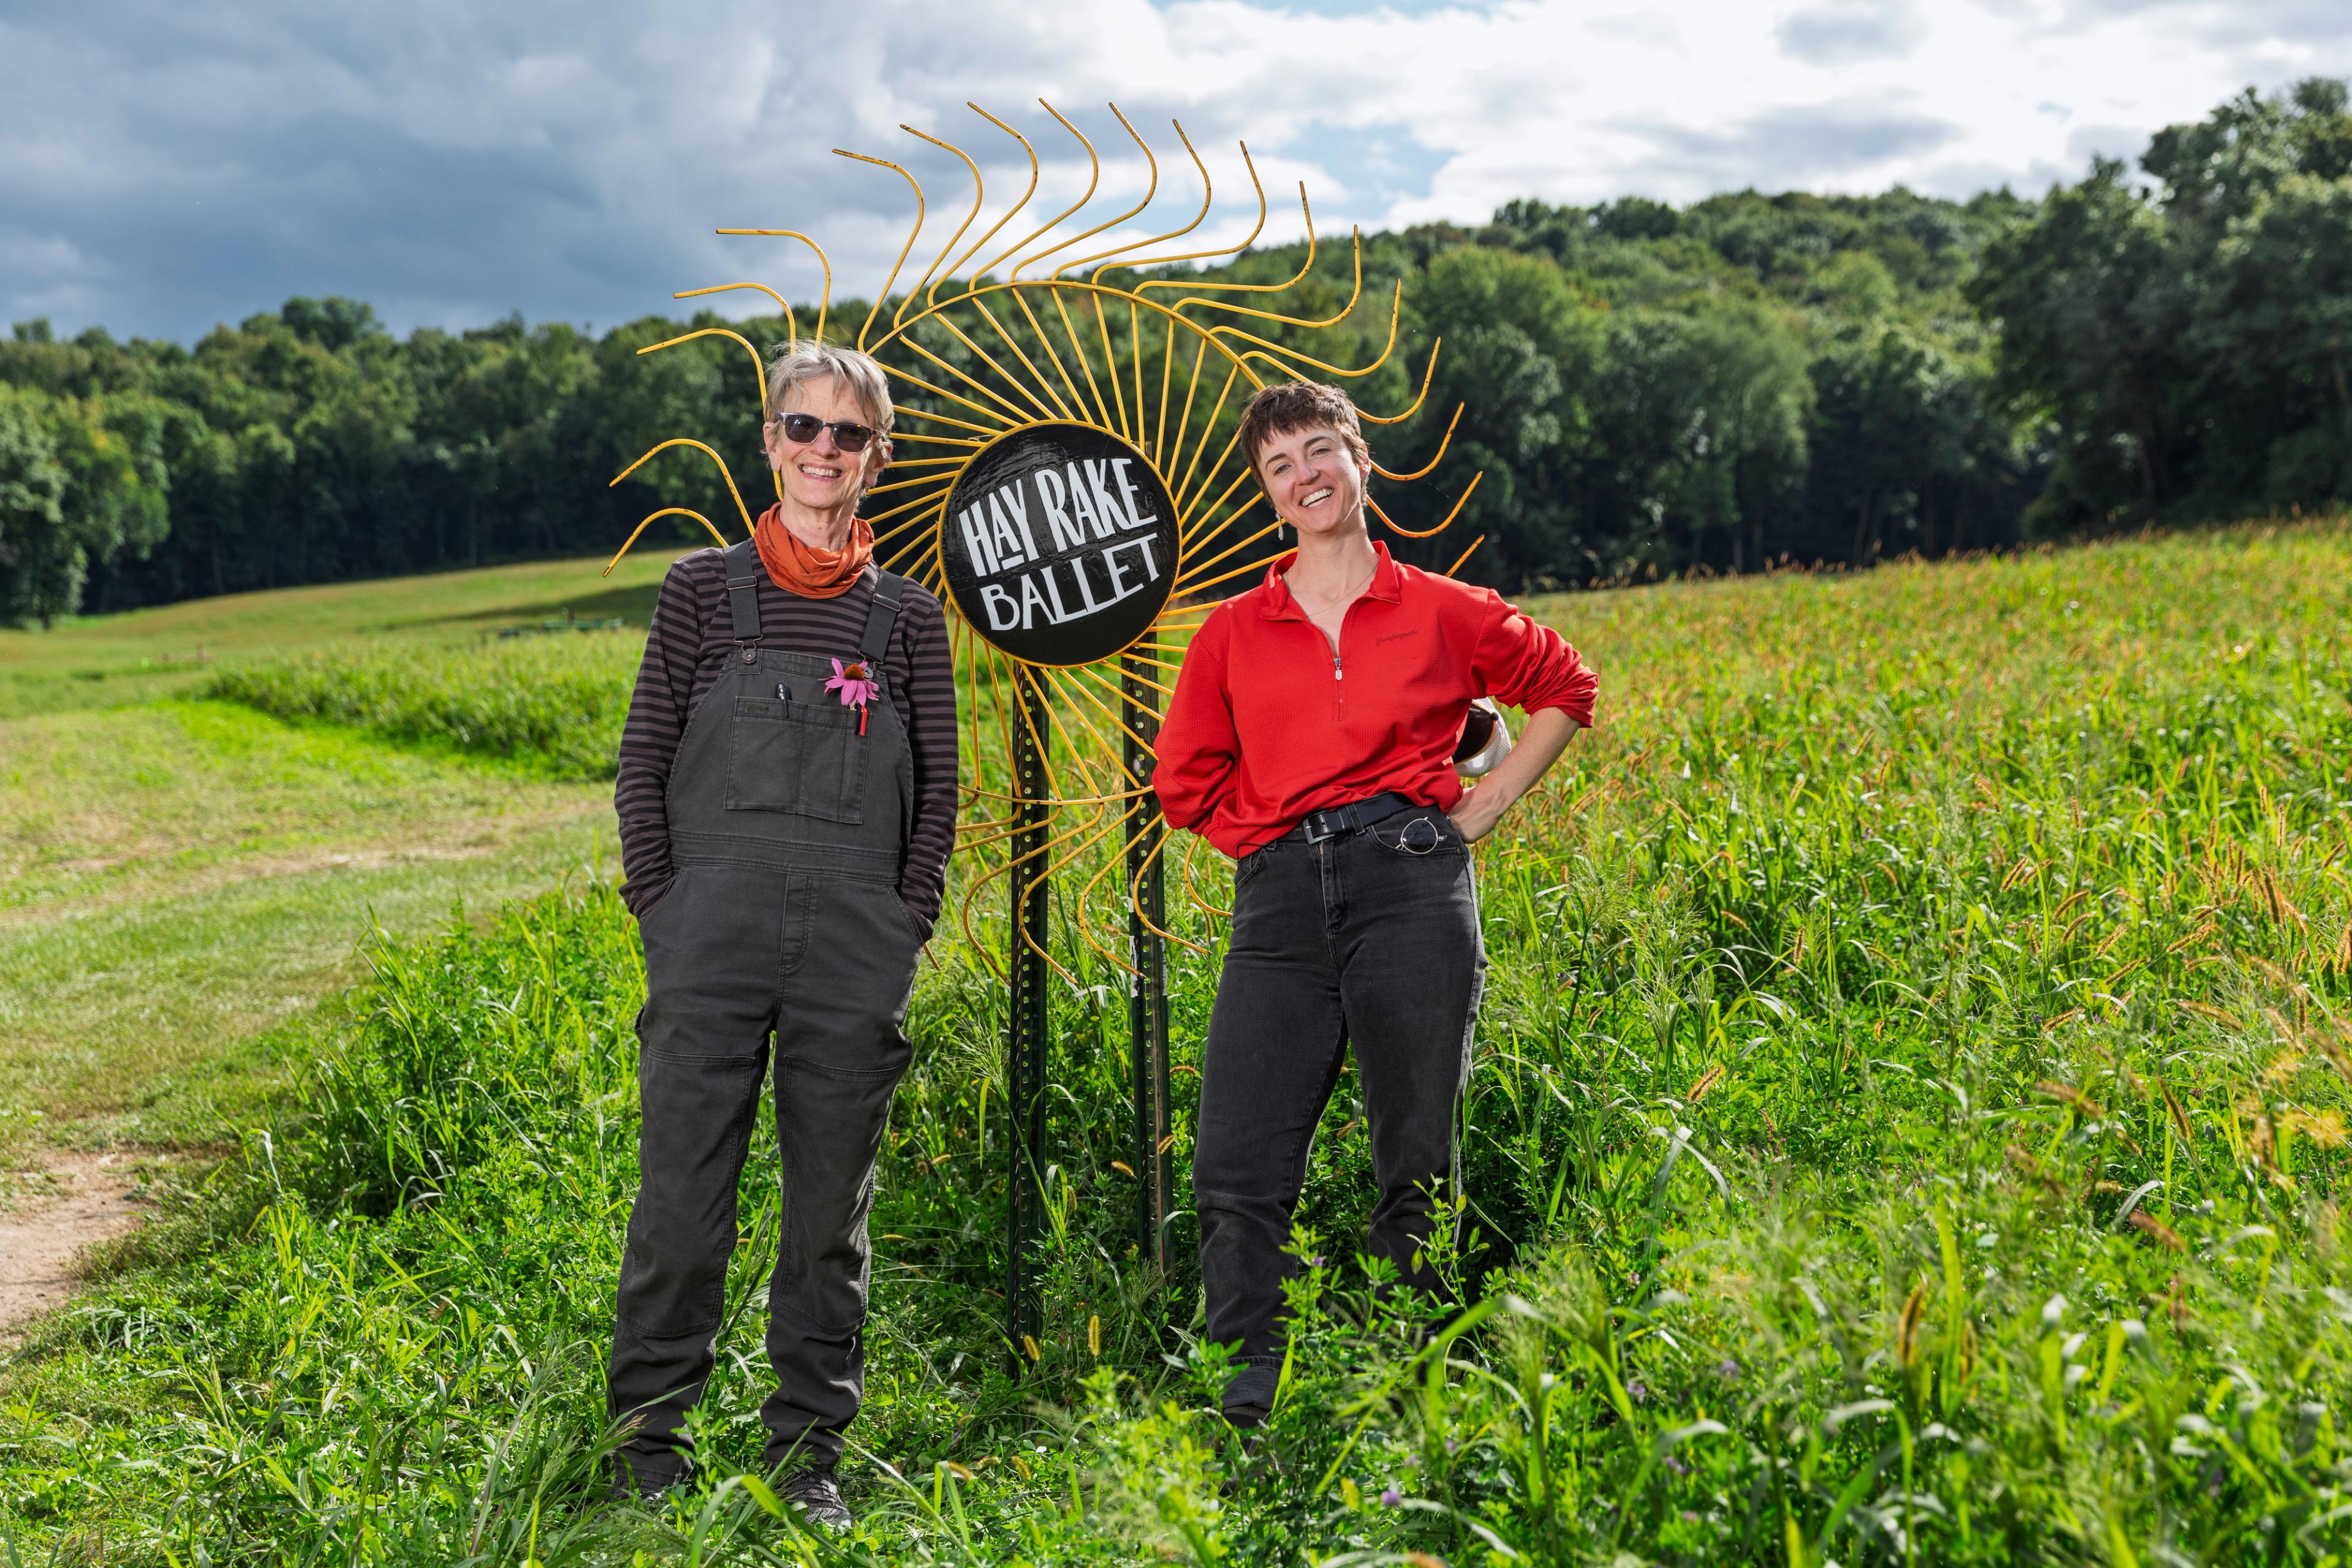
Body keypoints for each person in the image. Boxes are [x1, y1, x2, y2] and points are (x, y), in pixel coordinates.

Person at [1152, 380, 1597, 1429]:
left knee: (1415, 1152)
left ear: (1361, 462)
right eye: (1280, 466)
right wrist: (1258, 840)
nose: (1305, 476)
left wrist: (1486, 804)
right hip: (1279, 906)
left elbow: (1566, 687)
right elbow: (1184, 784)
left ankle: (1399, 1386)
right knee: (1237, 1159)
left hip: (1412, 880)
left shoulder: (1441, 609)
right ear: (1267, 493)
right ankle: (1247, 1400)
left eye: (1320, 452)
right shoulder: (1231, 632)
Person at [607, 345, 957, 1526]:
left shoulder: (906, 618)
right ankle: (650, 1440)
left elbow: (941, 792)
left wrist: (906, 919)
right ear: (770, 443)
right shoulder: (701, 592)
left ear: (878, 458)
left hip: (857, 940)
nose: (823, 451)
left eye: (849, 436)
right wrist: (659, 899)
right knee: (681, 1198)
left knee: (827, 1216)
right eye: (803, 429)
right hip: (709, 928)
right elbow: (646, 758)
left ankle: (808, 1455)